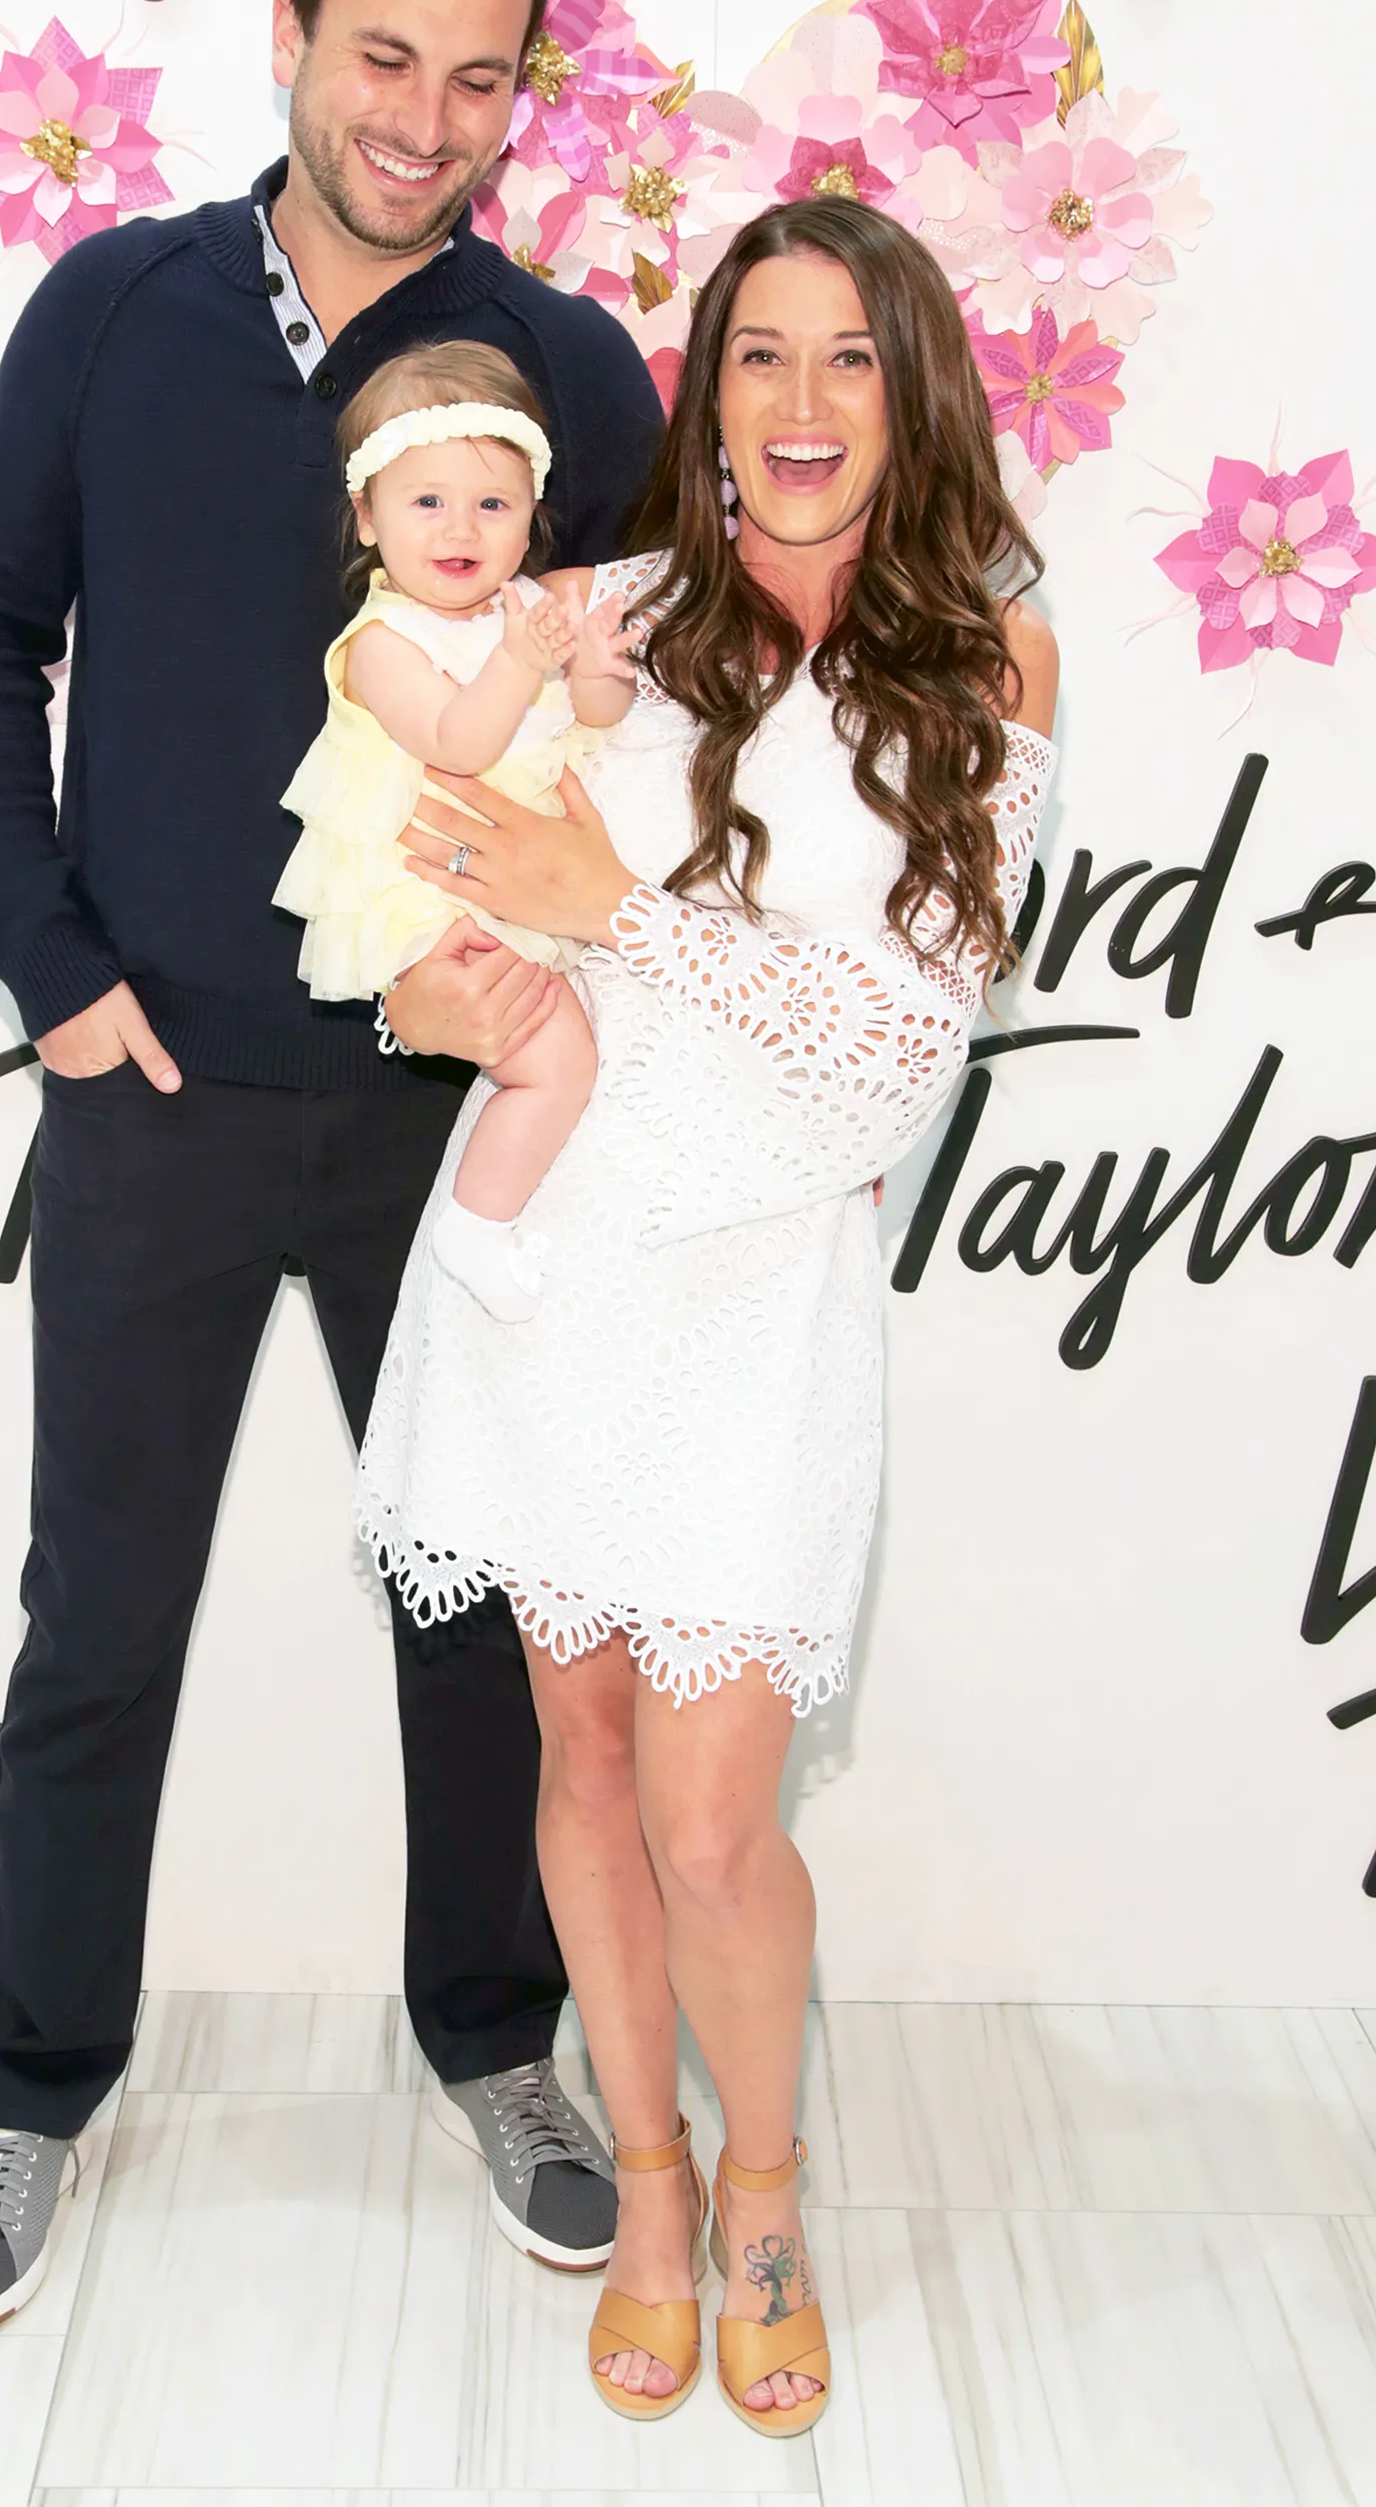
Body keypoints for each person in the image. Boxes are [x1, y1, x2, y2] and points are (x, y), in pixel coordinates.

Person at [0, 0, 664, 2332]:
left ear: (521, 99)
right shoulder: (115, 309)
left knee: (475, 1612)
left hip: (461, 1109)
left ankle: (500, 2049)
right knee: (97, 1612)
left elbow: (658, 718)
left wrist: (570, 949)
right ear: (288, 38)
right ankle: (27, 2094)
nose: (422, 120)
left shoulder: (566, 366)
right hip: (149, 1091)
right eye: (382, 57)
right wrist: (51, 970)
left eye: (478, 79)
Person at [361, 196, 1059, 2433]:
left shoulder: (986, 662)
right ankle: (649, 2189)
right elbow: (435, 878)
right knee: (576, 1758)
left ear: (914, 392)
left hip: (760, 1296)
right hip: (553, 1264)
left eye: (849, 356)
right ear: (707, 393)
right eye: (759, 353)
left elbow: (894, 1059)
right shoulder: (611, 615)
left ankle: (768, 2193)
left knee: (713, 1824)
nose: (800, 401)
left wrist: (624, 912)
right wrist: (440, 992)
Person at [276, 340, 643, 1320]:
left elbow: (592, 723)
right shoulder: (381, 642)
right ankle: (476, 1223)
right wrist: (523, 660)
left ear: (532, 513)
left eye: (492, 504)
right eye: (427, 501)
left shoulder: (525, 608)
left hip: (523, 878)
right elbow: (460, 742)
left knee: (596, 1060)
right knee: (556, 1062)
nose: (459, 528)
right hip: (434, 896)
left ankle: (509, 1214)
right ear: (368, 516)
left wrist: (597, 664)